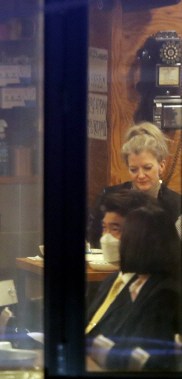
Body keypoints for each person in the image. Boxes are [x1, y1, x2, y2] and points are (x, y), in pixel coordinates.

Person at [91, 204, 181, 371]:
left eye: (127, 235)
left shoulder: (165, 293)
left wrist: (95, 348)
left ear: (140, 242)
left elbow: (145, 358)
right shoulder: (138, 282)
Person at [88, 122, 181, 248]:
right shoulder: (108, 196)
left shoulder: (177, 204)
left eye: (147, 168)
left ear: (162, 166)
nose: (141, 175)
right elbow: (93, 240)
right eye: (134, 169)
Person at [86, 190, 158, 338]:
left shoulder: (156, 291)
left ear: (141, 233)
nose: (106, 238)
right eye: (105, 228)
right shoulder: (113, 280)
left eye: (115, 229)